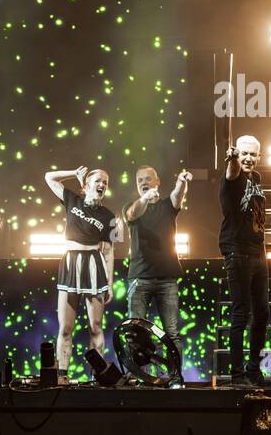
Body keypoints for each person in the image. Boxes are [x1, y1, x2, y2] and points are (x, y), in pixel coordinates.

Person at [45, 165, 122, 382]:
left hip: (94, 264)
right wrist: (73, 173)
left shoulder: (108, 216)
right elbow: (49, 177)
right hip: (70, 263)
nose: (102, 185)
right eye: (98, 181)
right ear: (86, 184)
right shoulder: (72, 200)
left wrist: (109, 282)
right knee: (66, 327)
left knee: (95, 326)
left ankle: (98, 375)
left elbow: (109, 251)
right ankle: (62, 376)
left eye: (105, 182)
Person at [124, 166, 192, 386]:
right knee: (135, 331)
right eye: (139, 180)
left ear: (157, 181)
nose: (143, 182)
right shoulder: (133, 206)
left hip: (166, 278)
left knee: (171, 332)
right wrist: (144, 197)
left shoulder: (166, 206)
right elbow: (133, 214)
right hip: (139, 278)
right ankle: (136, 375)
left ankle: (175, 377)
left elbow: (177, 195)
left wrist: (182, 181)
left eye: (147, 179)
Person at [220, 134, 268, 387]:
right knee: (241, 313)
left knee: (262, 313)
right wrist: (232, 160)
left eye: (253, 154)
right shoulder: (234, 175)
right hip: (237, 251)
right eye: (243, 153)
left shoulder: (257, 179)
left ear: (259, 157)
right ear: (237, 154)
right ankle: (237, 375)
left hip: (258, 252)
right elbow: (231, 173)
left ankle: (253, 369)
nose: (248, 158)